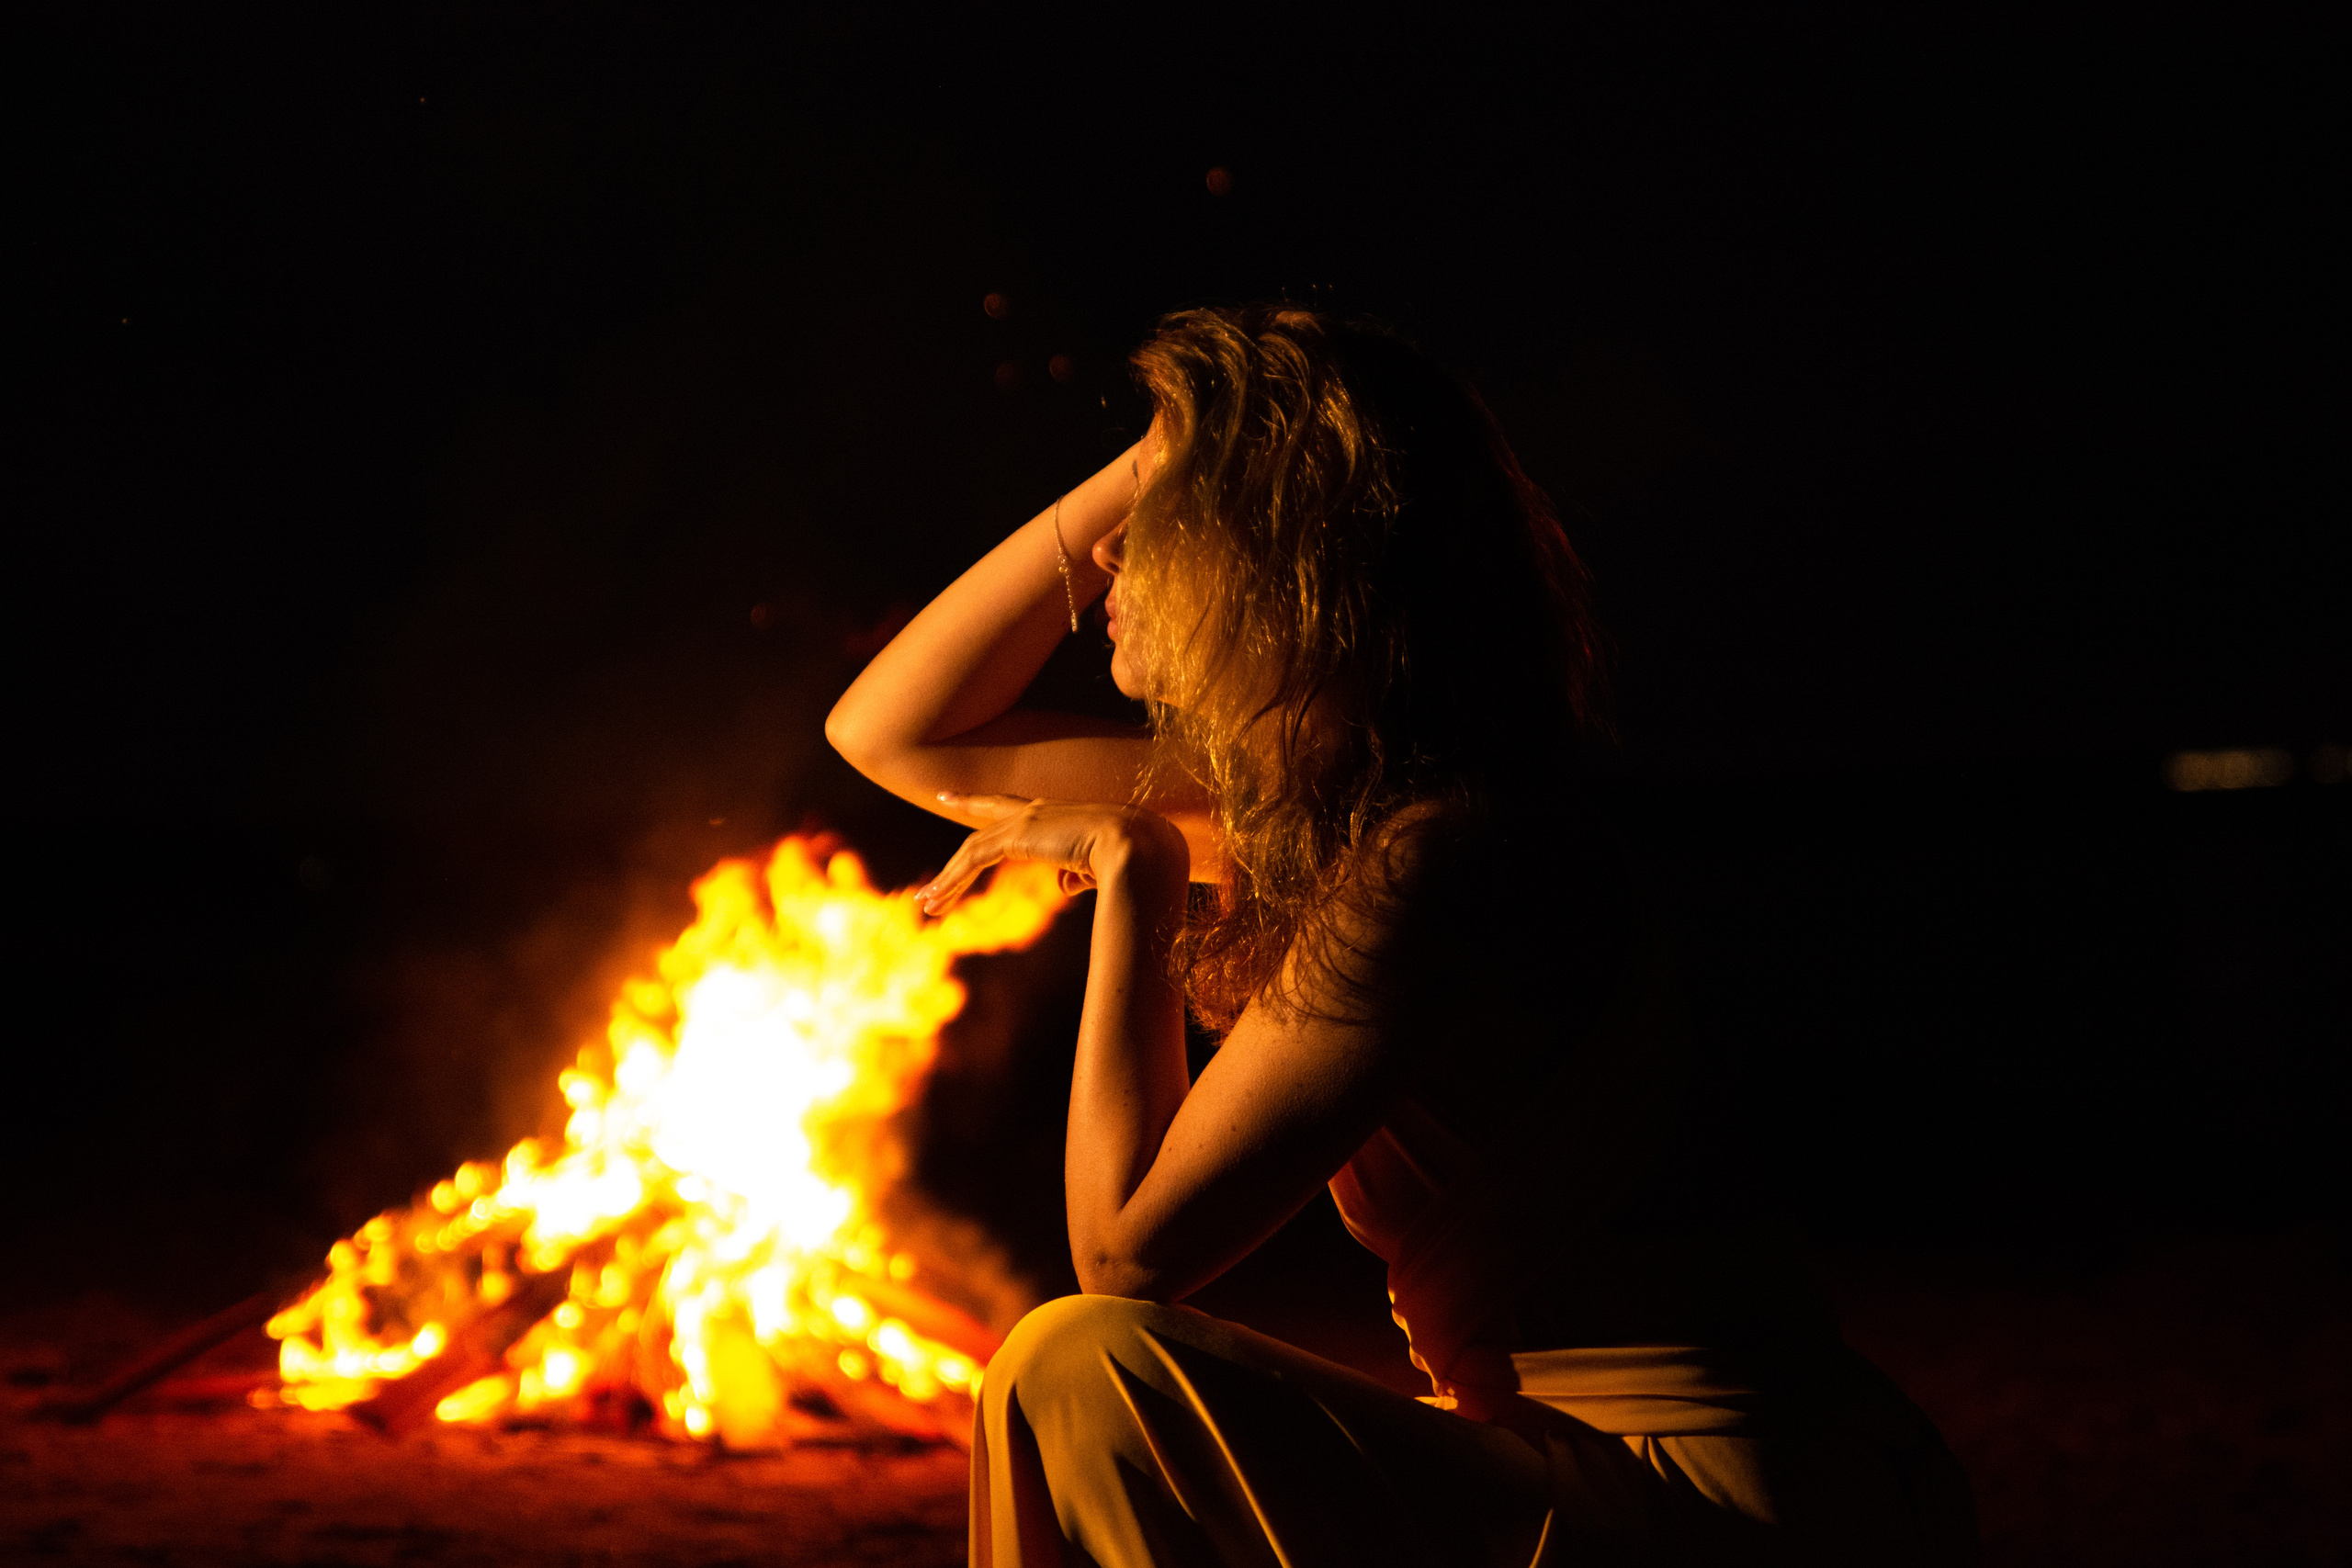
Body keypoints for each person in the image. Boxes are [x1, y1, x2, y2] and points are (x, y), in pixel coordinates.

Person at [826, 306, 1975, 1567]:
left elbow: (1125, 1253)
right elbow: (894, 732)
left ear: (1256, 563)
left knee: (1074, 1364)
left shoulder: (1432, 852)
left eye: (1155, 521)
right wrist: (1171, 449)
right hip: (1578, 1462)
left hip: (1701, 1507)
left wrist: (1134, 869)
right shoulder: (1329, 813)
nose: (1104, 552)